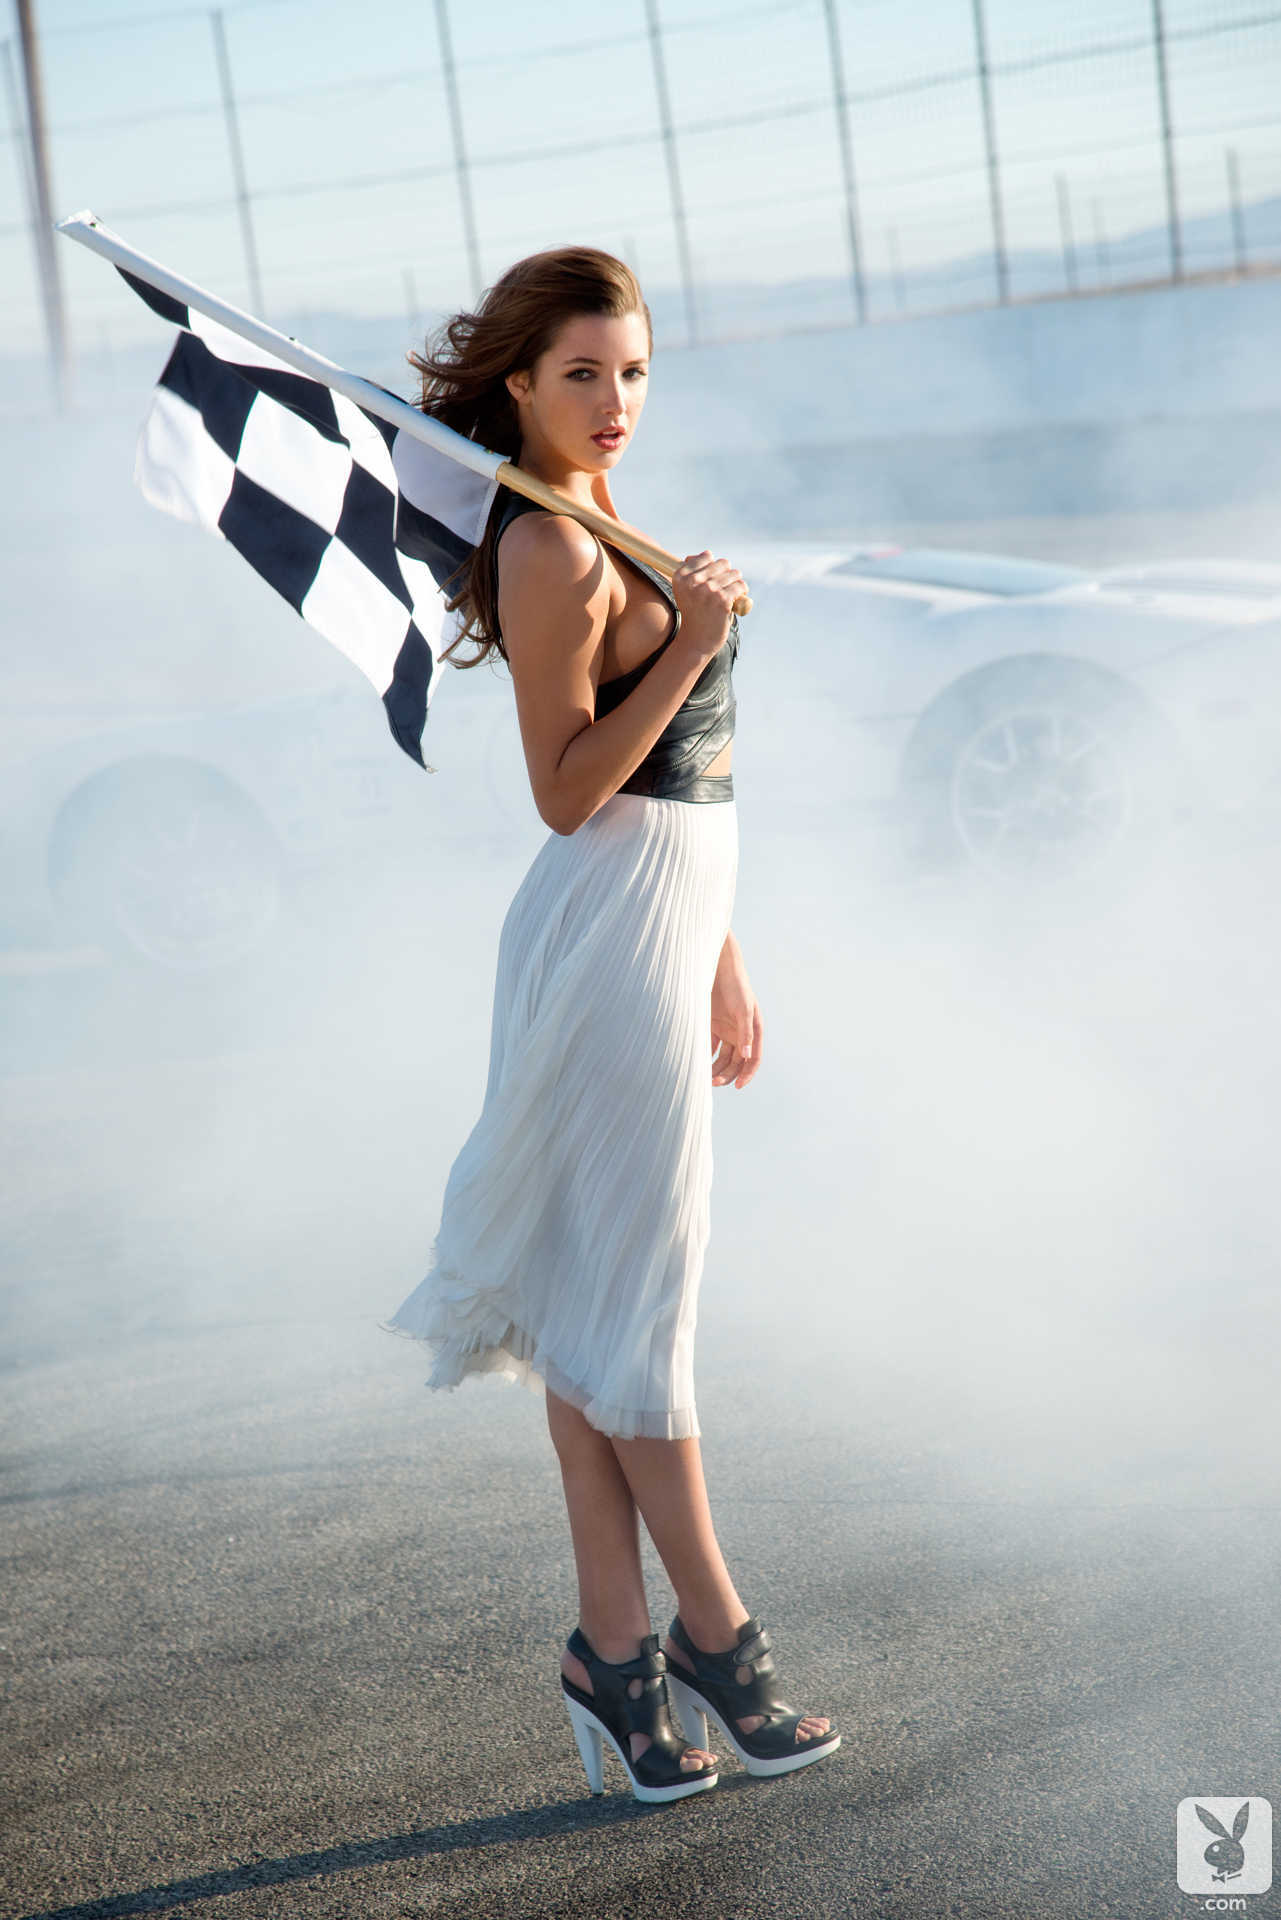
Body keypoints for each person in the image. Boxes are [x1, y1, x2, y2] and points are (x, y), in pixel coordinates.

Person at [382, 247, 839, 1804]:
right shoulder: (547, 545)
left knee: (598, 1314)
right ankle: (717, 1640)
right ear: (517, 384)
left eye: (632, 370)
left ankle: (615, 1655)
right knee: (638, 1310)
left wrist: (721, 952)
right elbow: (569, 793)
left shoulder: (599, 514)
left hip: (658, 933)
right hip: (599, 945)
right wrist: (694, 639)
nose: (614, 398)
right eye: (582, 373)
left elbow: (678, 783)